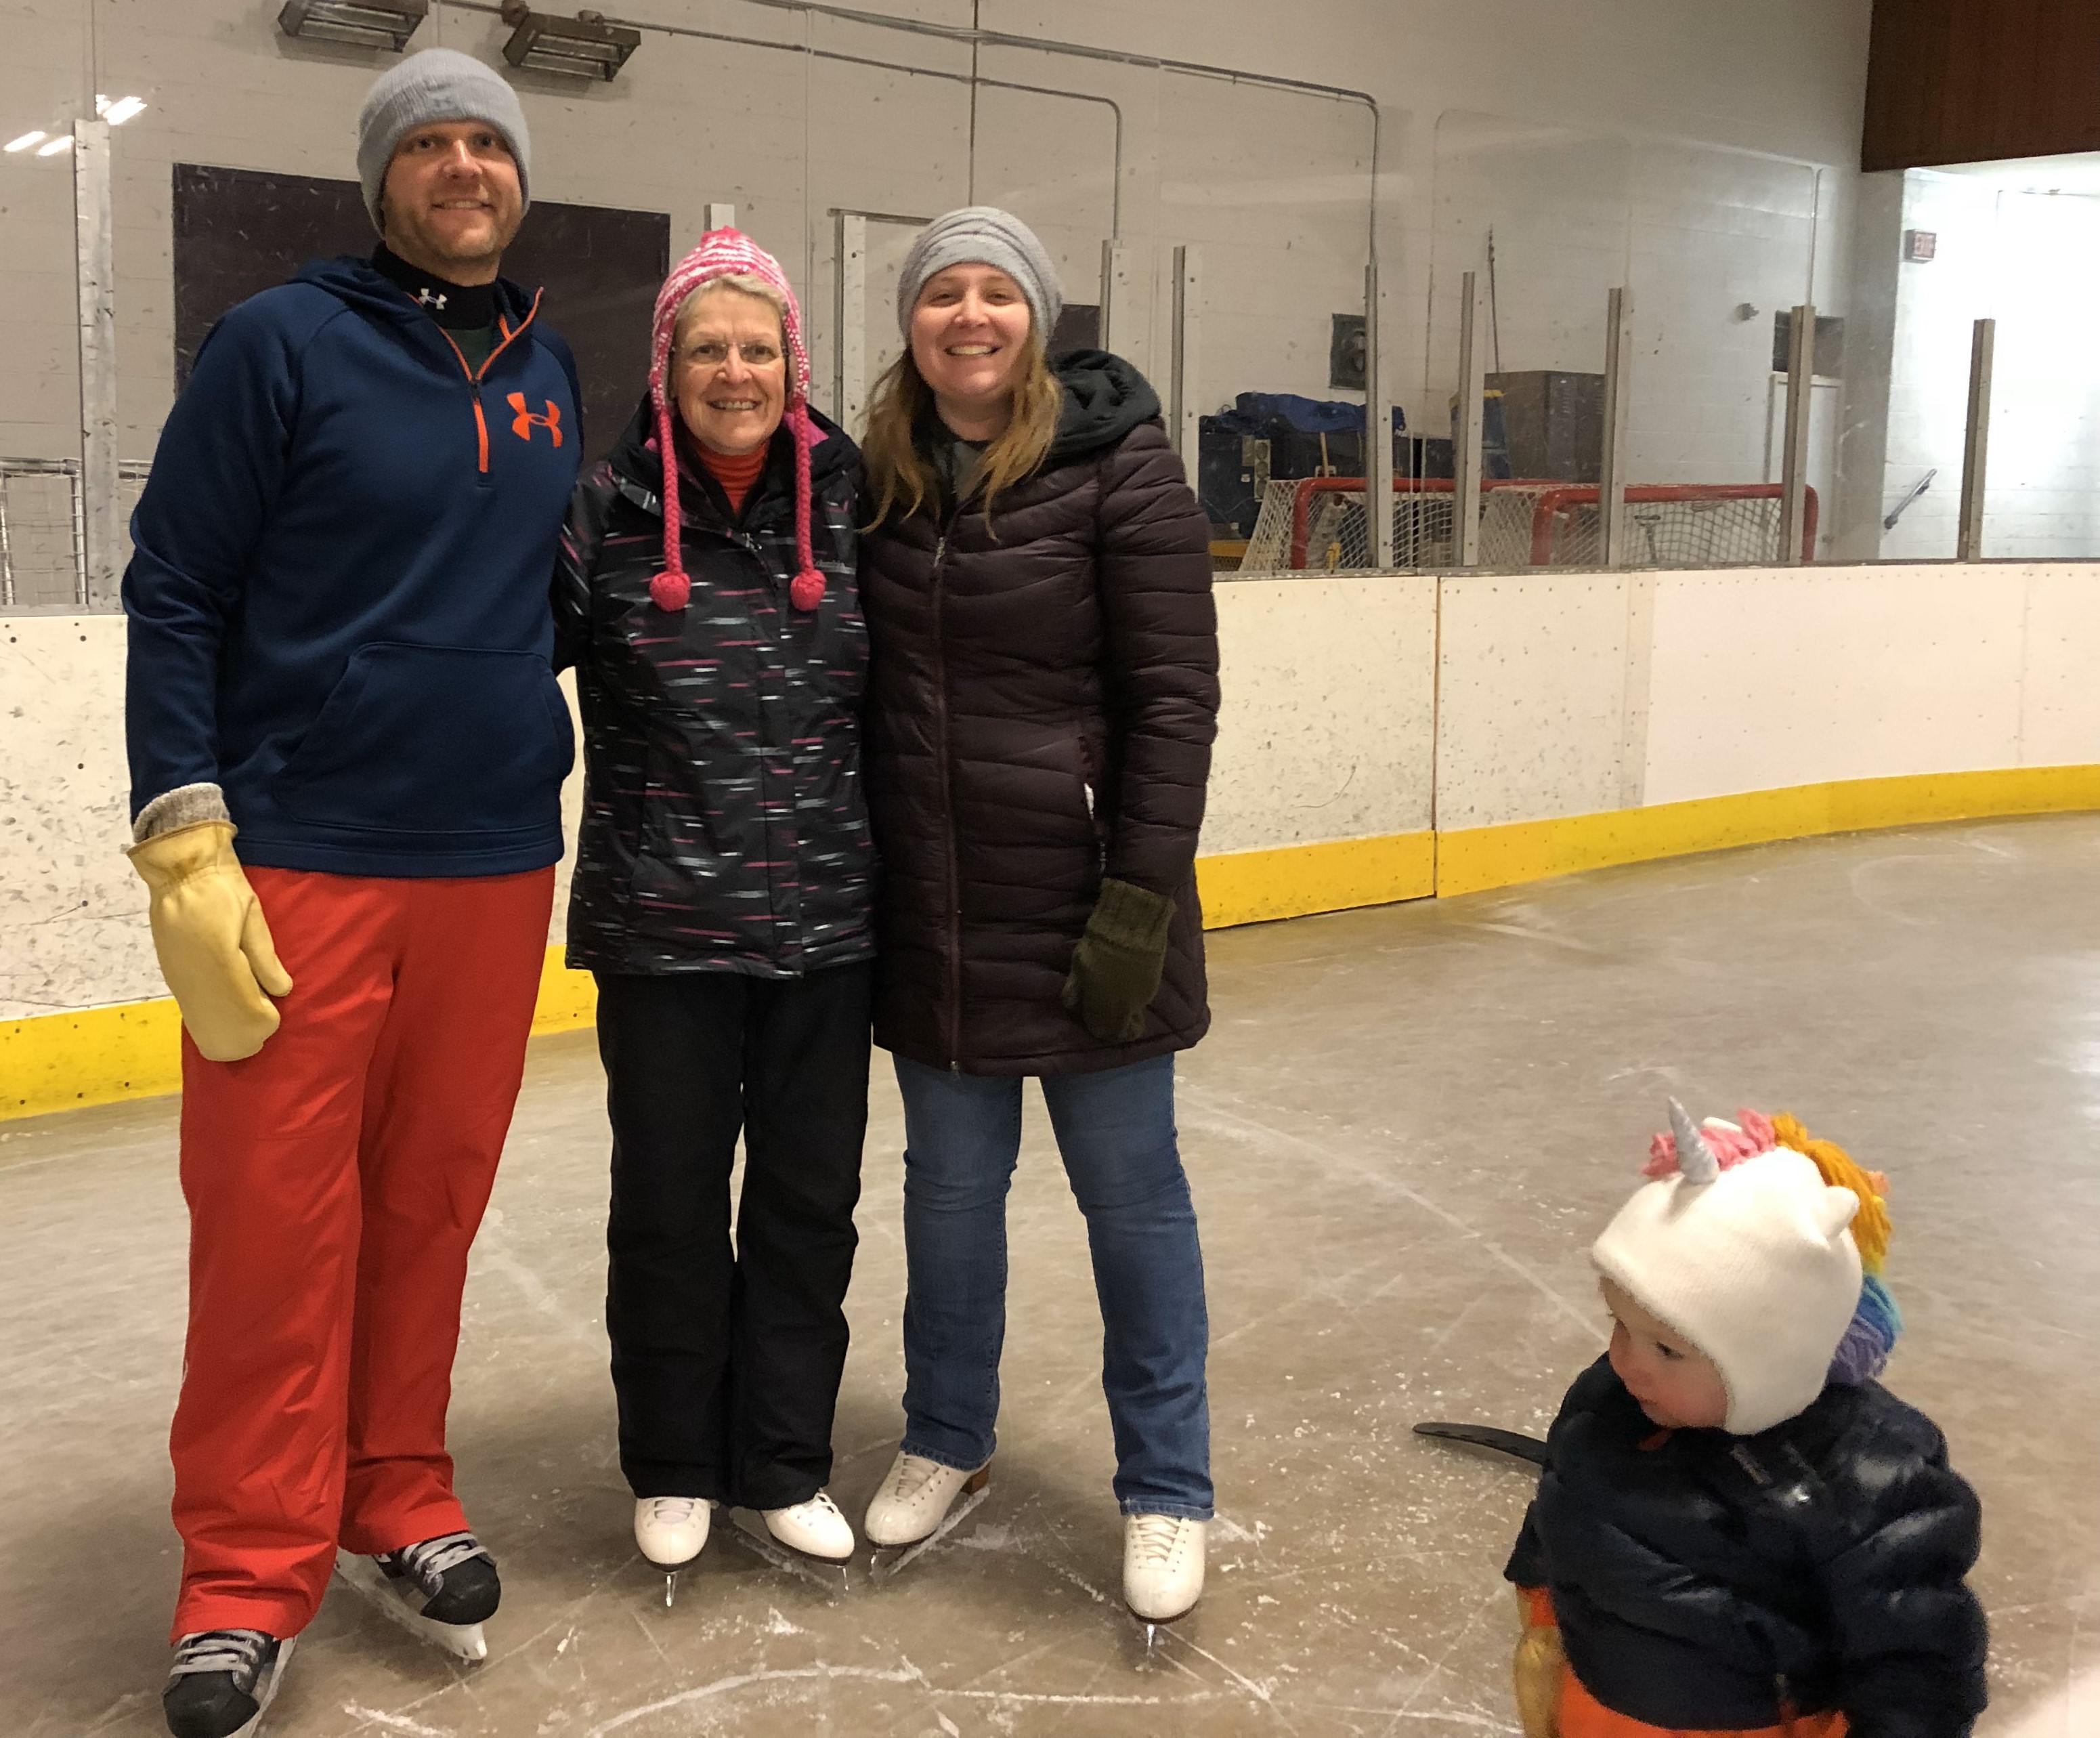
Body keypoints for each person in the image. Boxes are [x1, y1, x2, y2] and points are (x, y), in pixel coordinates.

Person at [123, 49, 582, 1738]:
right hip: (306, 850)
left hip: (490, 856)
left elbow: (555, 592)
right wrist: (184, 818)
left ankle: (396, 1484)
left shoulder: (551, 366)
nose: (465, 168)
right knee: (272, 1219)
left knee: (431, 1198)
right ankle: (244, 1573)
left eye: (489, 144)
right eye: (432, 146)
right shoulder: (281, 345)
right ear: (382, 176)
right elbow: (174, 583)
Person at [853, 207, 1221, 1622]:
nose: (966, 316)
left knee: (1130, 1203)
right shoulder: (874, 476)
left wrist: (1138, 892)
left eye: (993, 292)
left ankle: (1167, 1486)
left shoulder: (1117, 465)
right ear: (908, 321)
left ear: (1037, 314)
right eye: (938, 293)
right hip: (934, 910)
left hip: (1084, 908)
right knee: (946, 1198)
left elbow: (1171, 697)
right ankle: (948, 1435)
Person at [551, 228, 873, 1574]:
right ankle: (676, 1457)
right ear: (665, 364)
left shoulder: (861, 507)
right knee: (671, 1203)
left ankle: (782, 1459)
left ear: (793, 363)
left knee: (808, 1202)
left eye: (757, 347)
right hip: (661, 926)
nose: (732, 370)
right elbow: (489, 669)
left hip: (827, 924)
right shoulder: (599, 512)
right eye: (706, 348)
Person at [1507, 1101, 1989, 1738]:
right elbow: (1566, 1495)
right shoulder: (1610, 1399)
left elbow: (1915, 1653)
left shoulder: (1869, 1476)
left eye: (1667, 1348)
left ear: (1772, 1357)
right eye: (1618, 1323)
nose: (1626, 1360)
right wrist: (1538, 1594)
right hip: (1601, 1702)